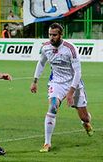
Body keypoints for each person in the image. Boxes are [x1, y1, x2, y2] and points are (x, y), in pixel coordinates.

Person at [30, 23, 94, 153]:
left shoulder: (70, 49)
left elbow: (78, 73)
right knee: (52, 107)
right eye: (50, 35)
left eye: (54, 35)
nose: (51, 37)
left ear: (61, 35)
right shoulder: (45, 48)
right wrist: (35, 81)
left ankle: (85, 123)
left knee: (85, 117)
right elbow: (41, 63)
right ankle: (47, 143)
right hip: (56, 83)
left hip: (74, 84)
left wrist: (70, 93)